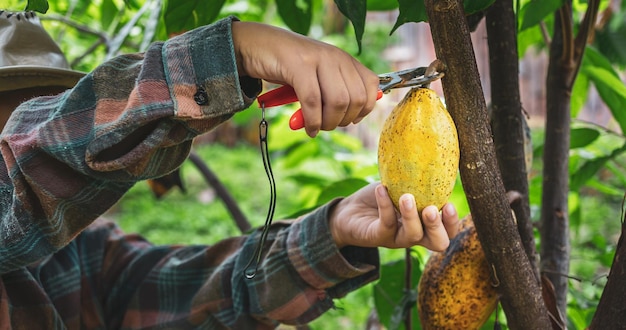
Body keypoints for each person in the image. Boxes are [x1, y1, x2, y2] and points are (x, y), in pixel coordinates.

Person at [0, 10, 460, 329]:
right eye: (16, 126)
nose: (23, 136)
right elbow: (19, 186)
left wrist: (334, 231)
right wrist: (227, 55)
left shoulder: (80, 260)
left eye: (43, 111)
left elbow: (199, 294)